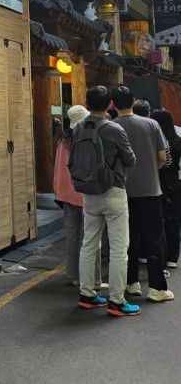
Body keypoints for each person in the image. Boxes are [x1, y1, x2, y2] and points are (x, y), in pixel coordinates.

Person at [76, 85, 138, 316]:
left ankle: (87, 295)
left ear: (86, 103)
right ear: (110, 104)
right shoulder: (113, 128)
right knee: (119, 248)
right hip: (113, 191)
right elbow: (130, 160)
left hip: (88, 192)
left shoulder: (79, 127)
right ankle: (117, 301)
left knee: (89, 243)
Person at [112, 86, 173, 303]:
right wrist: (150, 171)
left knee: (128, 238)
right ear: (133, 100)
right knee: (154, 237)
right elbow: (163, 157)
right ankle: (157, 288)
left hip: (121, 192)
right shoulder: (151, 124)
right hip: (151, 190)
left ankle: (131, 283)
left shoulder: (110, 126)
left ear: (113, 104)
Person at [54, 105, 103, 288]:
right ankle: (93, 278)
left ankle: (73, 274)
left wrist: (58, 192)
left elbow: (58, 171)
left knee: (72, 236)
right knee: (91, 238)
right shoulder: (86, 139)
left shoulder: (62, 141)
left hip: (66, 196)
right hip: (85, 193)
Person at [151, 108, 181, 270]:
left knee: (157, 220)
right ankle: (172, 257)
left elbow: (162, 162)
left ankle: (157, 254)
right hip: (175, 184)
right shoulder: (178, 141)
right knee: (174, 220)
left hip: (157, 183)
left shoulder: (155, 141)